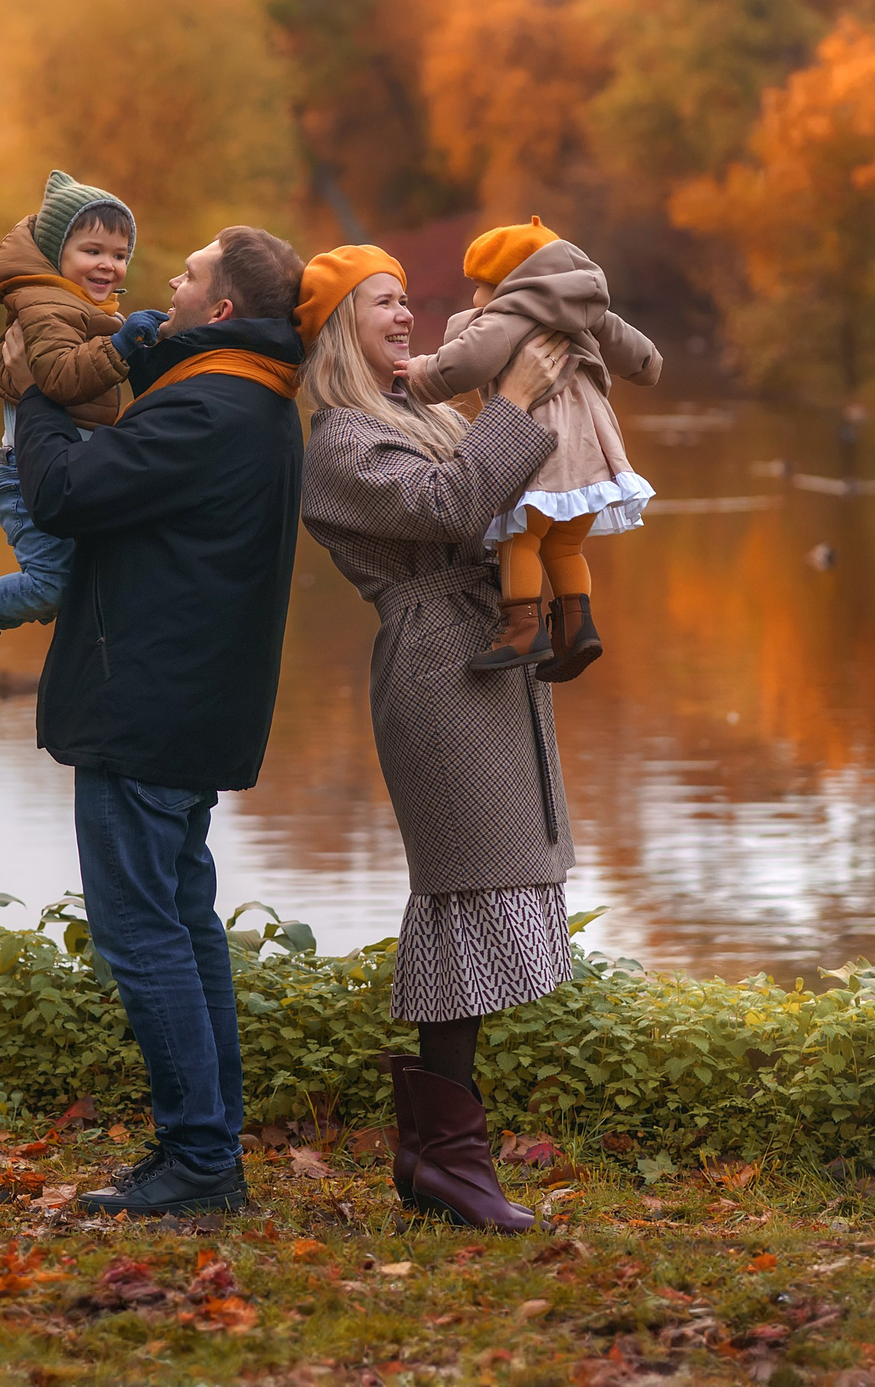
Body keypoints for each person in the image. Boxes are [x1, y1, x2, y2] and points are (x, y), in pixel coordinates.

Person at [5, 224, 309, 1217]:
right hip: (185, 704)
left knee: (142, 931)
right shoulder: (246, 400)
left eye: (187, 274)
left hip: (149, 704)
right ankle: (206, 1149)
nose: (165, 284)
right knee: (181, 922)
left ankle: (199, 1159)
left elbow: (59, 493)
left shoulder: (212, 407)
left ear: (220, 309)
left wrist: (41, 391)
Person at [294, 243, 577, 1233]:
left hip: (478, 660)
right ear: (336, 328)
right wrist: (513, 402)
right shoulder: (336, 441)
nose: (407, 314)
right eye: (383, 302)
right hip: (435, 673)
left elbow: (493, 500)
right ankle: (446, 1157)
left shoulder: (413, 413)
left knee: (486, 884)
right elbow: (450, 503)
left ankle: (439, 1155)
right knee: (464, 893)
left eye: (407, 298)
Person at [0, 170, 166, 712]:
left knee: (84, 586)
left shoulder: (80, 308)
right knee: (53, 585)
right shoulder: (45, 305)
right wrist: (123, 349)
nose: (108, 265)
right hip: (25, 476)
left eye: (119, 254)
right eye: (92, 250)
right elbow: (61, 378)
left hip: (60, 468)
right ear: (54, 252)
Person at [403, 216, 661, 681]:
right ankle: (577, 627)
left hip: (541, 445)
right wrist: (647, 365)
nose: (475, 298)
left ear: (509, 282)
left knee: (519, 538)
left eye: (480, 286)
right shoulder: (585, 309)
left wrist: (416, 374)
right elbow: (640, 357)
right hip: (595, 452)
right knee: (565, 546)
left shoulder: (509, 317)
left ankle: (521, 628)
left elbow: (464, 365)